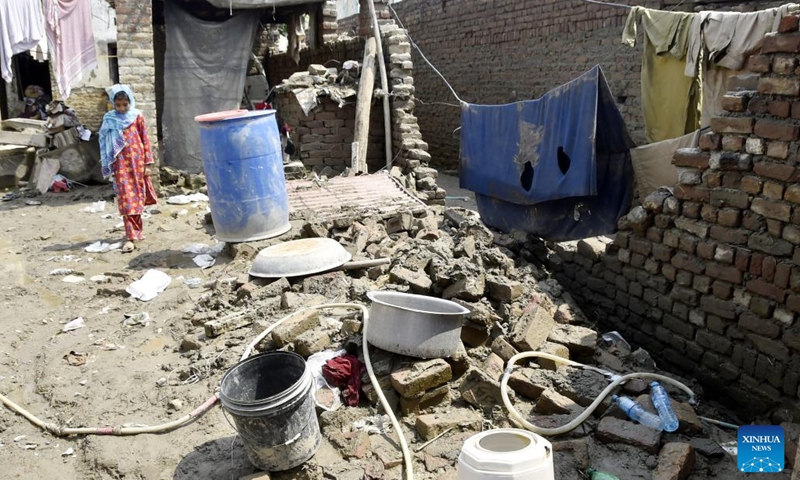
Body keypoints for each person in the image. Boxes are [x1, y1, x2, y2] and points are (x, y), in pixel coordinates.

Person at [98, 85, 157, 252]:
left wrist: (147, 163)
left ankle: (138, 231)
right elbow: (103, 140)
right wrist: (108, 161)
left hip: (137, 162)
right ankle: (130, 237)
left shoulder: (137, 116)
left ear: (130, 101)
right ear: (113, 104)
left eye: (125, 104)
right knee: (126, 199)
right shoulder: (109, 119)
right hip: (120, 163)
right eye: (118, 105)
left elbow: (145, 139)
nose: (122, 109)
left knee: (137, 197)